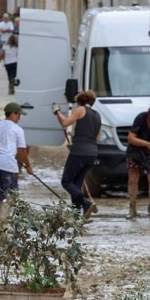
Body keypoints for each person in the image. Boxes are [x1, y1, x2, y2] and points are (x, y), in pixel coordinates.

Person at [0, 102, 34, 230]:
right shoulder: (17, 129)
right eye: (18, 115)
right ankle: (3, 227)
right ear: (13, 114)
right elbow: (22, 150)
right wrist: (28, 166)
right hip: (9, 166)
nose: (19, 118)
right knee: (11, 198)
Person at [55, 90, 101, 219]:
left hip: (79, 151)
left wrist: (57, 112)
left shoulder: (80, 109)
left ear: (80, 101)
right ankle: (76, 215)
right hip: (92, 153)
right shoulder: (97, 115)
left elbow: (65, 123)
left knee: (66, 181)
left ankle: (85, 203)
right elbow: (97, 136)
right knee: (76, 184)